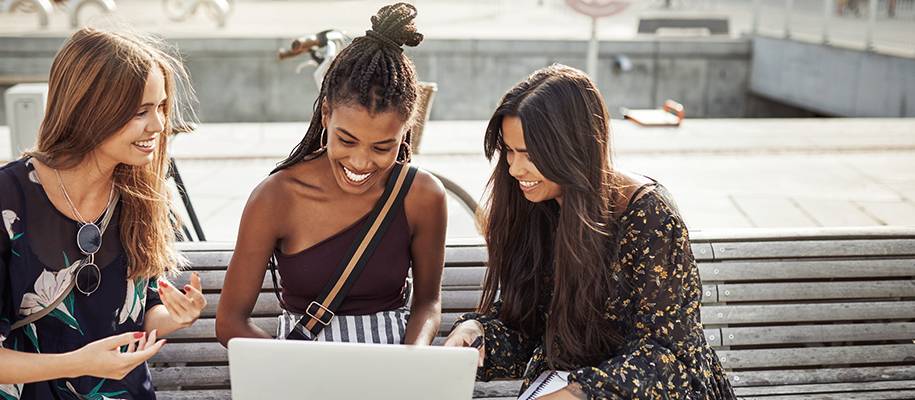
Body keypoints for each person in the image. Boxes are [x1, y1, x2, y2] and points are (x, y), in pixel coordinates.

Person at [444, 65, 736, 399]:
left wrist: (579, 393)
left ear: (572, 147)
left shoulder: (648, 216)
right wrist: (477, 332)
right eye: (509, 151)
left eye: (529, 154)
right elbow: (530, 326)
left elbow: (670, 359)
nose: (514, 168)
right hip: (561, 385)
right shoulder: (536, 205)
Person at [216, 3, 446, 346]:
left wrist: (412, 360)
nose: (361, 161)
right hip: (299, 369)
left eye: (383, 148)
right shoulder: (277, 196)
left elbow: (427, 302)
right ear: (326, 115)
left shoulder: (422, 196)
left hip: (393, 371)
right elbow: (230, 322)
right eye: (346, 140)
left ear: (405, 132)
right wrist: (290, 362)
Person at [0, 28, 207, 399]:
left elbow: (143, 311)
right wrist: (79, 363)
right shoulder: (7, 198)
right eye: (141, 111)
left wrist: (176, 317)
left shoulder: (144, 196)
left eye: (160, 107)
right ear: (89, 109)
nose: (159, 125)